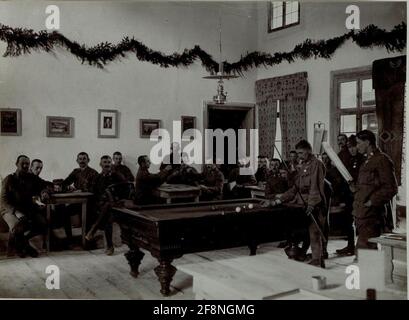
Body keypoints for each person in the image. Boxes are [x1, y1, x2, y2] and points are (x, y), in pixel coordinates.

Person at [263, 140, 327, 268]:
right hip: (300, 203)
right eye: (297, 153)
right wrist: (279, 200)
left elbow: (315, 186)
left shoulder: (317, 164)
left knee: (314, 233)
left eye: (301, 153)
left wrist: (311, 205)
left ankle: (317, 260)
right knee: (302, 232)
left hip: (314, 203)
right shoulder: (304, 165)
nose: (299, 156)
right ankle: (304, 254)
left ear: (309, 151)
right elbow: (295, 189)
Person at [351, 130, 397, 261]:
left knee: (365, 252)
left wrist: (371, 201)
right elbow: (369, 185)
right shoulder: (367, 160)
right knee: (364, 251)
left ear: (367, 142)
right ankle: (369, 278)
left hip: (372, 214)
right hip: (361, 213)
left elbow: (391, 188)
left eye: (359, 143)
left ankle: (369, 279)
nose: (357, 146)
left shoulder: (382, 160)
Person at [0, 155, 50, 257]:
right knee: (17, 224)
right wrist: (16, 212)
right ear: (16, 164)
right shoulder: (9, 179)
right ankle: (24, 248)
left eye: (27, 164)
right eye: (22, 163)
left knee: (43, 223)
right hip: (8, 210)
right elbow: (3, 200)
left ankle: (23, 242)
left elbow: (45, 184)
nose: (25, 165)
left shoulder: (31, 178)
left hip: (25, 209)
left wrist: (44, 191)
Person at [85, 156, 126, 255]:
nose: (107, 164)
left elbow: (125, 188)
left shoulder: (117, 175)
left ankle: (93, 230)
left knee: (108, 207)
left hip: (117, 204)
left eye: (108, 162)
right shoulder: (98, 177)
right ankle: (109, 246)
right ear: (100, 164)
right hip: (103, 207)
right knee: (108, 217)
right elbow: (93, 192)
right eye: (104, 162)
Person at [335, 135, 365, 256]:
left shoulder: (362, 159)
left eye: (353, 147)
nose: (352, 150)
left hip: (359, 195)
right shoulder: (350, 159)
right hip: (348, 195)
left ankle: (360, 248)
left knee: (359, 222)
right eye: (349, 147)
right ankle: (350, 246)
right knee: (348, 222)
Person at [61, 152, 99, 243]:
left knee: (87, 217)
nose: (82, 161)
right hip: (78, 202)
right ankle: (69, 239)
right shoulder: (76, 171)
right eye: (80, 159)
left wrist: (81, 190)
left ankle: (87, 241)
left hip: (90, 203)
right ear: (77, 160)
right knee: (64, 212)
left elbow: (95, 189)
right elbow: (65, 182)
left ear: (88, 160)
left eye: (84, 159)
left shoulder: (94, 173)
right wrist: (66, 187)